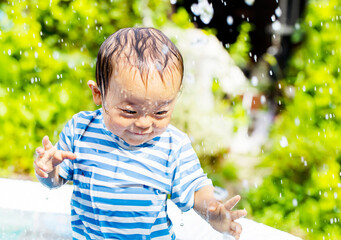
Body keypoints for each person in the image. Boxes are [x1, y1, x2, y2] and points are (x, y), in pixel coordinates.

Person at [34, 27, 247, 240]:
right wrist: (48, 172)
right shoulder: (81, 130)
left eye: (160, 112)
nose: (144, 123)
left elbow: (195, 190)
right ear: (99, 94)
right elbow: (56, 181)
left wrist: (214, 213)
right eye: (129, 111)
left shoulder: (173, 145)